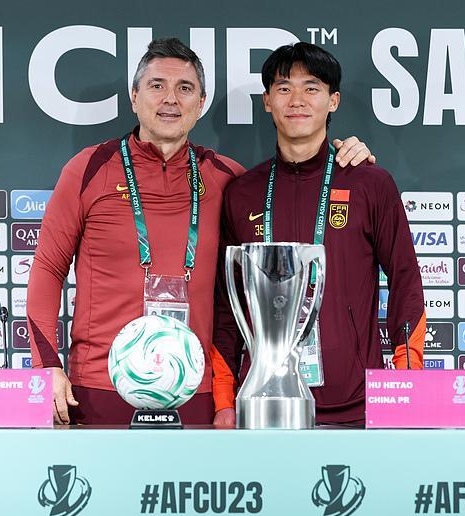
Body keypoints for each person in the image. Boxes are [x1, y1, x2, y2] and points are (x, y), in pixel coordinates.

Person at [27, 38, 374, 426]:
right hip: (100, 388)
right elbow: (48, 269)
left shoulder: (229, 179)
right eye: (157, 85)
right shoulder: (88, 169)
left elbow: (299, 188)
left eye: (185, 88)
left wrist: (346, 158)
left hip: (196, 393)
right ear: (135, 96)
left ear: (201, 103)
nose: (170, 99)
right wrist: (47, 366)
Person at [213, 42, 426, 426]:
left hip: (357, 405)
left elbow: (405, 278)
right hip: (265, 404)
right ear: (267, 101)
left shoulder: (369, 183)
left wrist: (407, 379)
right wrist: (224, 401)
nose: (297, 100)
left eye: (311, 88)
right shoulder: (241, 192)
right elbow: (227, 306)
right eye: (284, 88)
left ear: (333, 101)